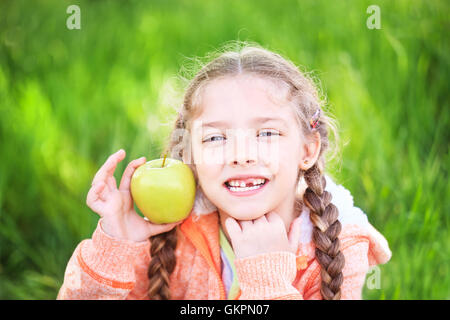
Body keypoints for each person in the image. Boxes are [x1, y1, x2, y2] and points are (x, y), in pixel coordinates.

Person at [57, 42, 391, 300]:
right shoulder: (170, 228)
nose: (241, 155)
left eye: (267, 133)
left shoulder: (340, 242)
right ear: (189, 152)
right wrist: (115, 243)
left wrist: (267, 278)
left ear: (307, 150)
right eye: (216, 137)